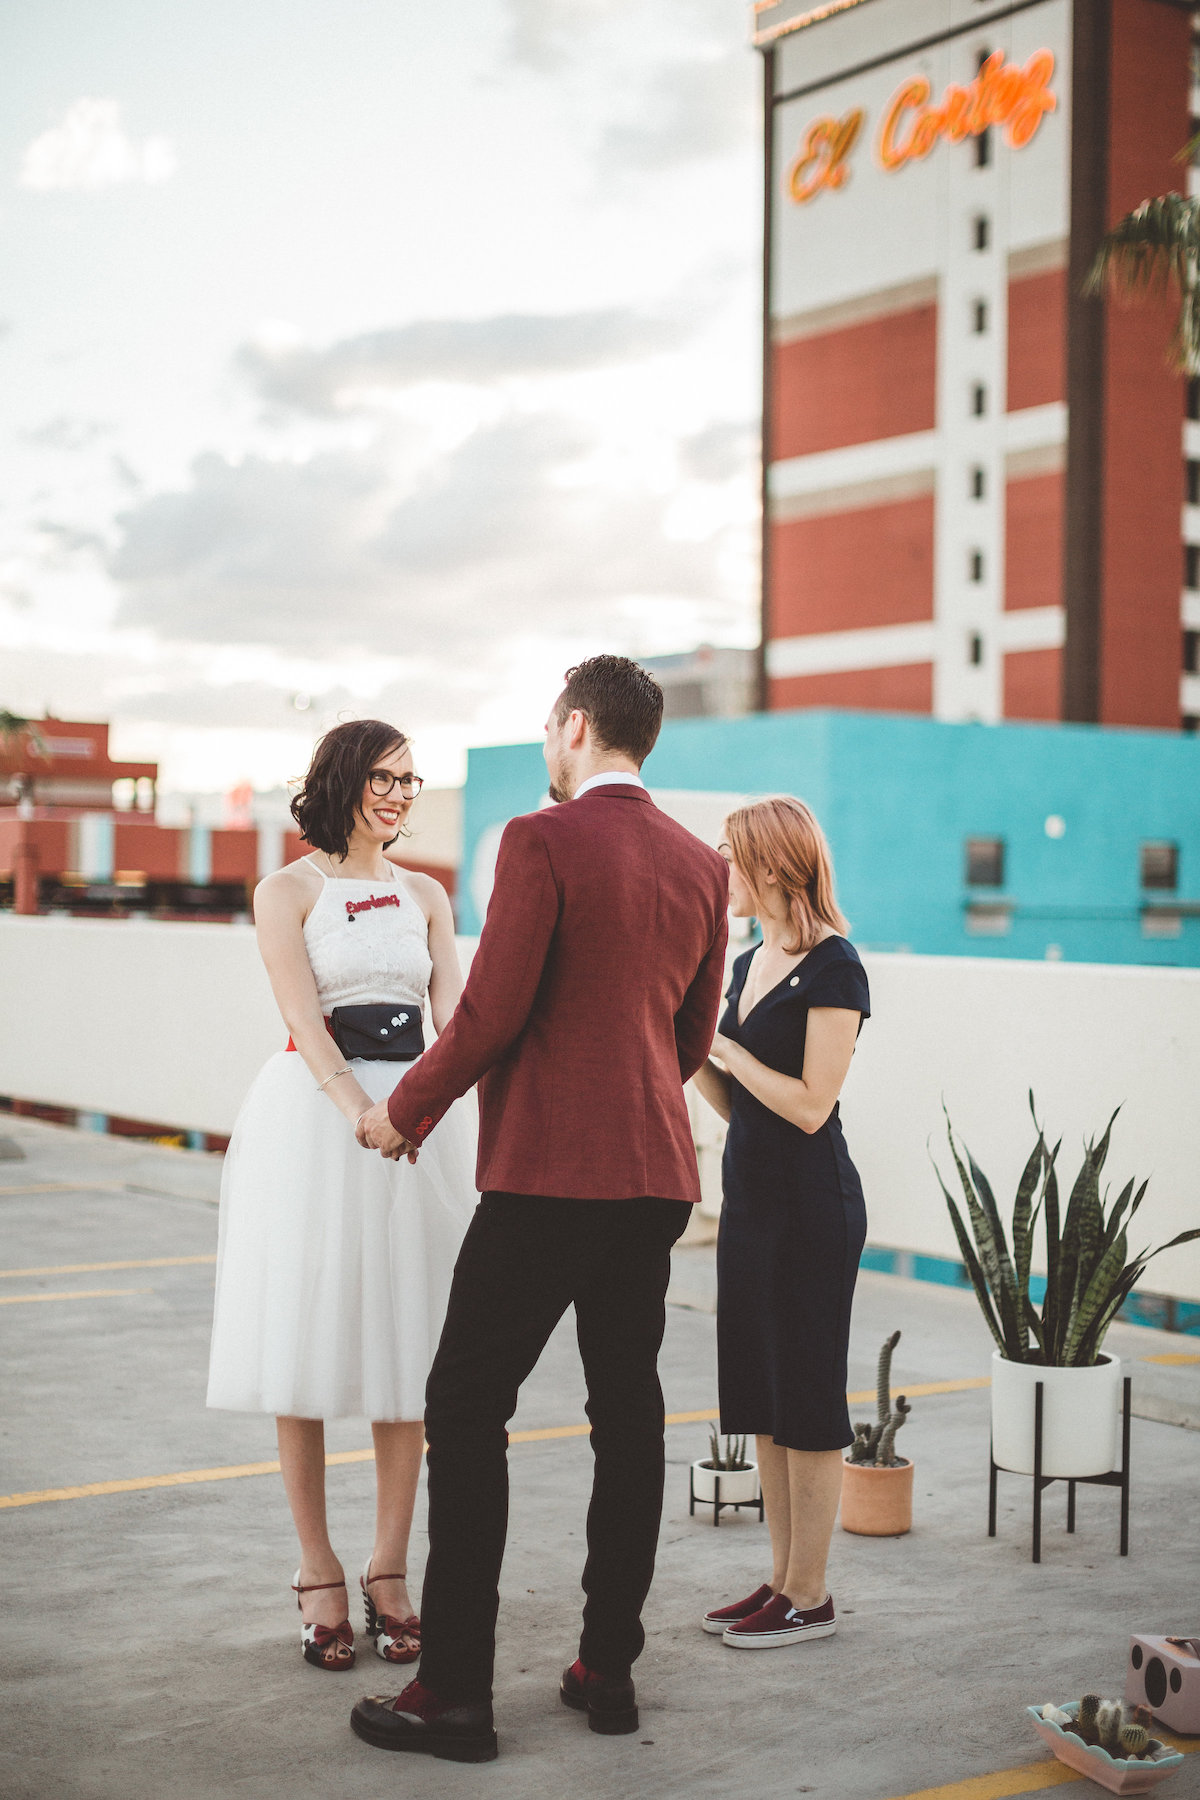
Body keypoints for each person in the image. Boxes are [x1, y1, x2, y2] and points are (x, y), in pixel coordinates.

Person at [347, 656, 729, 1764]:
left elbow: (490, 1012)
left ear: (571, 727)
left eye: (548, 727)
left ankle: (455, 1691)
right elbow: (691, 1040)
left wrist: (404, 1111)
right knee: (629, 1415)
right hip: (655, 1174)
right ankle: (607, 1669)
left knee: (466, 1409)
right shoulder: (702, 865)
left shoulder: (540, 838)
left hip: (551, 1173)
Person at [206, 720, 477, 1673]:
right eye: (383, 777)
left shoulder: (428, 894)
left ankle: (390, 1569)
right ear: (342, 782)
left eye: (411, 779)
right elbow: (299, 1015)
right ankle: (317, 1568)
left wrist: (423, 1110)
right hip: (320, 1122)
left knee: (412, 1345)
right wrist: (362, 1108)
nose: (401, 794)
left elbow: (455, 1017)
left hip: (416, 1125)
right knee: (307, 1337)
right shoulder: (286, 889)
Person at [692, 795, 869, 1651]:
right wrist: (696, 1057)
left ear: (768, 863)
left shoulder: (836, 966)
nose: (717, 868)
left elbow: (807, 1105)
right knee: (761, 1399)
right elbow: (740, 1107)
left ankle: (812, 1594)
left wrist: (727, 1051)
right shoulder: (746, 962)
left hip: (813, 1207)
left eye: (728, 854)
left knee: (808, 1396)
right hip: (752, 1200)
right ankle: (778, 1581)